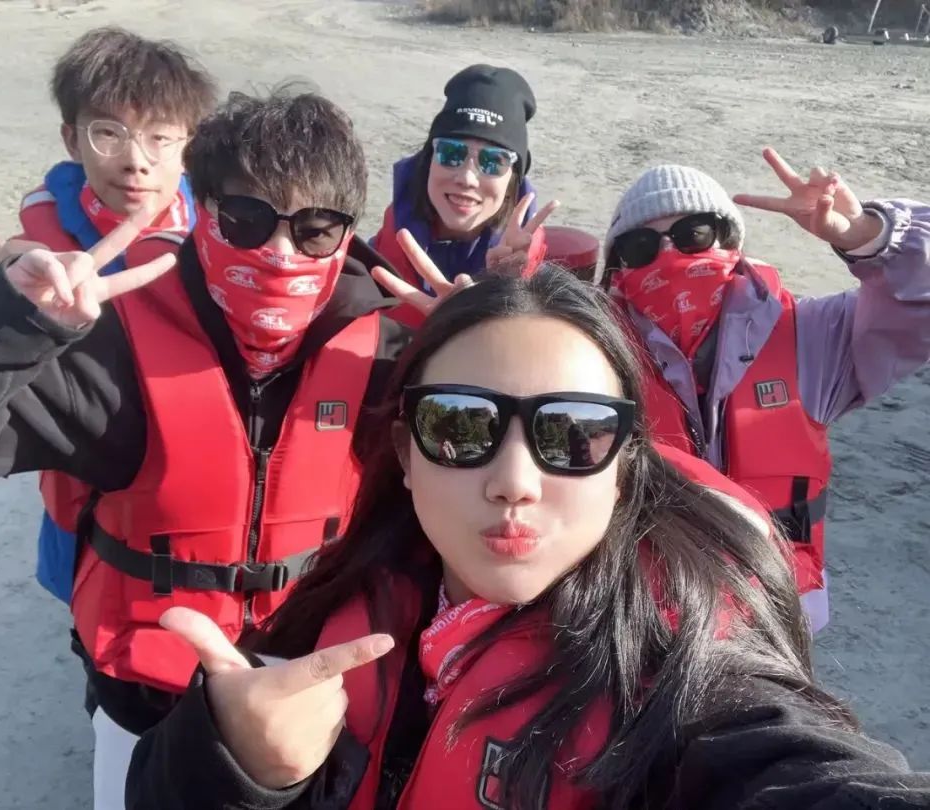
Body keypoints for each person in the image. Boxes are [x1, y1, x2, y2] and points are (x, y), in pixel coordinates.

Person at [125, 266, 930, 810]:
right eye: (461, 426)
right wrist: (231, 759)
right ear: (404, 452)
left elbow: (796, 770)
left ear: (624, 467)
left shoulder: (688, 679)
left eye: (572, 434)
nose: (515, 479)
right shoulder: (342, 613)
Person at [0, 89, 416, 810]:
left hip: (310, 684)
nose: (279, 253)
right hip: (148, 695)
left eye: (314, 229)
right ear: (202, 211)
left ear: (346, 234)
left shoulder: (386, 354)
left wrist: (478, 336)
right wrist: (9, 325)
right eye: (246, 221)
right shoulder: (111, 346)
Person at [595, 149, 930, 633]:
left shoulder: (813, 337)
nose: (669, 256)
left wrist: (864, 237)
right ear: (618, 268)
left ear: (732, 242)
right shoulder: (592, 353)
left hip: (775, 623)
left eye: (694, 234)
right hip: (641, 628)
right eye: (642, 246)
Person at [0, 26, 216, 607]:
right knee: (94, 623)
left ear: (189, 145)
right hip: (86, 501)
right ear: (71, 139)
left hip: (199, 503)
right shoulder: (38, 252)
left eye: (160, 137)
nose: (136, 162)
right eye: (108, 133)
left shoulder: (228, 233)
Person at [370, 64, 557, 325]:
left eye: (493, 161)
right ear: (428, 160)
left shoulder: (541, 295)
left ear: (513, 180)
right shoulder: (373, 254)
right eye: (451, 153)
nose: (467, 178)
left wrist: (506, 296)